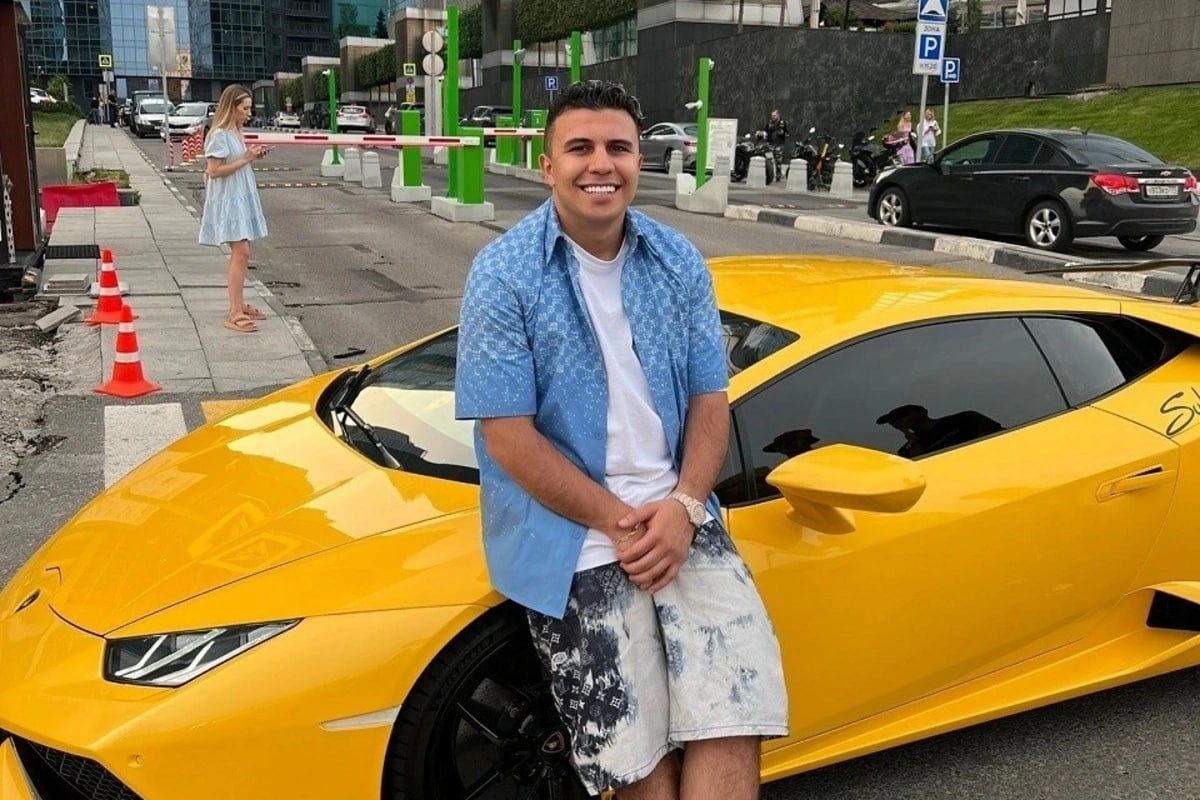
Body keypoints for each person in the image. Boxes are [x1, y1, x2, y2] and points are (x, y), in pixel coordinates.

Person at [455, 80, 788, 799]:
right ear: (548, 166)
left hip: (682, 518)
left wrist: (685, 507)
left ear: (640, 160)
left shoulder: (677, 260)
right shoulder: (503, 274)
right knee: (638, 761)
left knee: (735, 716)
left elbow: (709, 400)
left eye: (618, 147)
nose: (600, 164)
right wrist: (622, 522)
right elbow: (508, 438)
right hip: (571, 539)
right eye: (580, 147)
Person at [198, 84, 271, 334]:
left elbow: (236, 161)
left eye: (249, 108)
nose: (249, 113)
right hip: (228, 199)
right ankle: (234, 311)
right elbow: (214, 171)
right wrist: (246, 159)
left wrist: (252, 156)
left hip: (238, 196)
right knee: (241, 252)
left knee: (243, 252)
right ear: (232, 107)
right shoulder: (219, 134)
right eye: (245, 108)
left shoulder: (236, 131)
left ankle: (239, 305)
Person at [876, 404, 1002, 459]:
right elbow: (920, 467)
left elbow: (997, 438)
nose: (901, 421)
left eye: (903, 414)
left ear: (922, 412)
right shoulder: (906, 450)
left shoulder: (965, 419)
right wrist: (909, 436)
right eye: (894, 421)